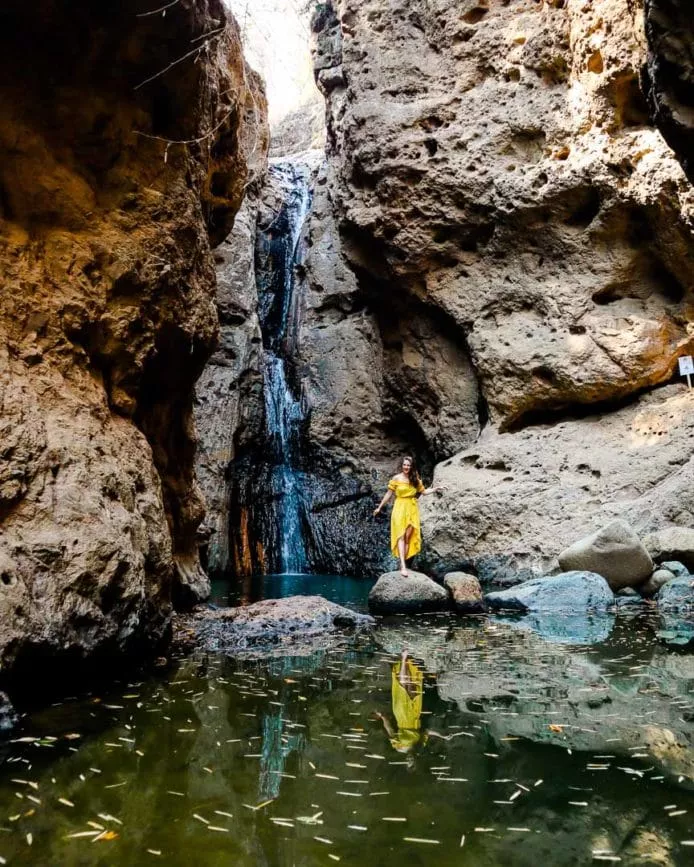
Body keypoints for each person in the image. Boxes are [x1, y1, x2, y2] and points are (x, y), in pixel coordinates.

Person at [373, 455, 444, 577]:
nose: (406, 467)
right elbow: (389, 494)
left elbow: (424, 492)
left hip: (412, 508)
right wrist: (379, 507)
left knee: (407, 537)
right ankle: (403, 566)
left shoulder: (415, 478)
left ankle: (402, 564)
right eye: (404, 465)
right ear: (402, 466)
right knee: (400, 535)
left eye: (408, 465)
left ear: (411, 467)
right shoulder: (396, 478)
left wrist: (435, 489)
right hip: (399, 507)